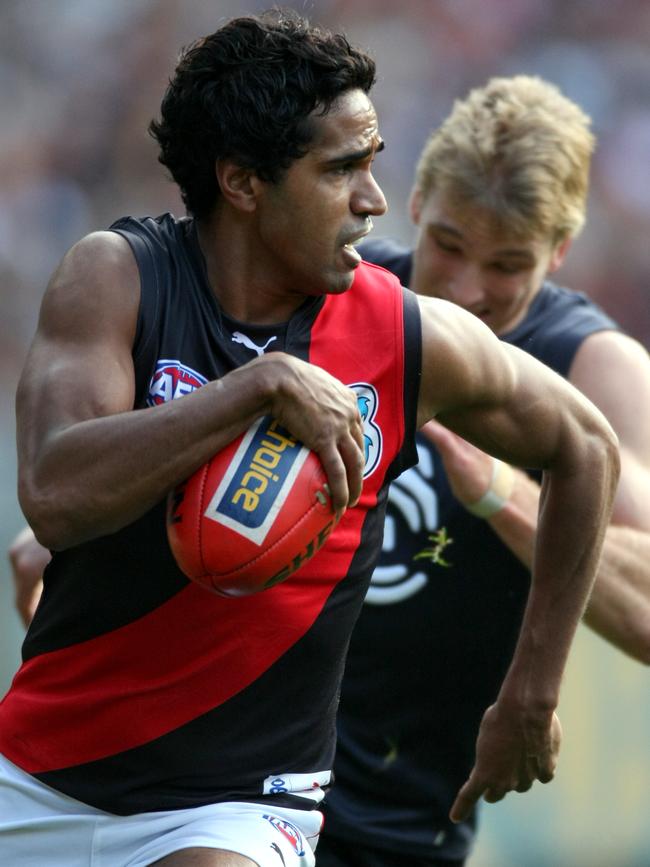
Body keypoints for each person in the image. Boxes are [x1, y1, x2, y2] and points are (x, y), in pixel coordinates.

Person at [0, 12, 619, 865]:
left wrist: (531, 691)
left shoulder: (407, 336)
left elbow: (586, 445)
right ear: (244, 183)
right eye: (342, 170)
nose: (371, 199)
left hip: (240, 804)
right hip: (42, 773)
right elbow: (56, 496)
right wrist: (258, 386)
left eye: (371, 165)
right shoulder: (118, 275)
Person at [316, 75, 650, 867]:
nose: (467, 291)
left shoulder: (591, 368)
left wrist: (504, 490)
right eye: (451, 245)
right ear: (419, 201)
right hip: (244, 783)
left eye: (508, 264)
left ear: (559, 251)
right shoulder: (344, 295)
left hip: (401, 827)